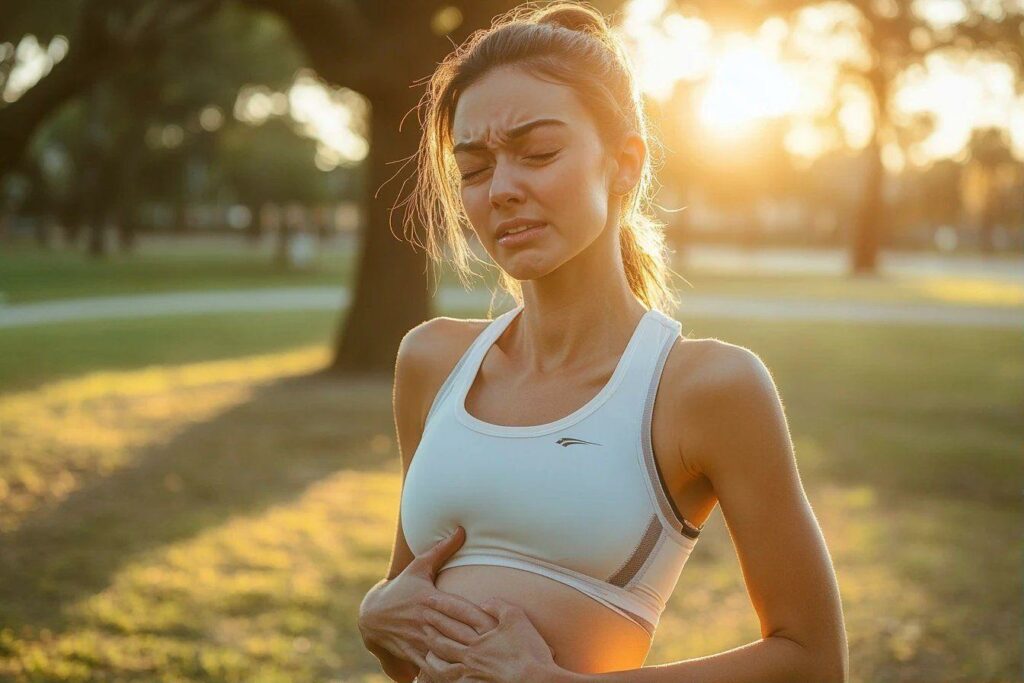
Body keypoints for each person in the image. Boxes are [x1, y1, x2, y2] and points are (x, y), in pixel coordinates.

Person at [357, 2, 849, 681]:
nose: (501, 189)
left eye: (538, 153)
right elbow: (407, 628)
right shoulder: (431, 361)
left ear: (625, 163)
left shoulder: (707, 388)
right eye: (473, 168)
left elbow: (812, 660)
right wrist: (376, 613)